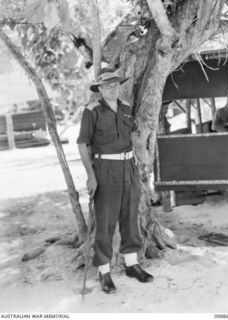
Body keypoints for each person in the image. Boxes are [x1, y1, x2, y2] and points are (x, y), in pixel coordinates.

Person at [77, 69, 153, 294]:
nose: (112, 88)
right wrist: (91, 175)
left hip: (128, 167)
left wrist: (138, 165)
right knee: (106, 221)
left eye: (116, 84)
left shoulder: (127, 108)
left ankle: (132, 264)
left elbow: (131, 137)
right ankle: (104, 271)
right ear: (99, 89)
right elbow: (83, 144)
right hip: (105, 170)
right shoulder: (91, 111)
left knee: (130, 216)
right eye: (107, 85)